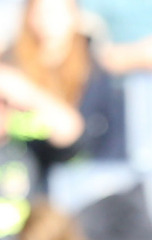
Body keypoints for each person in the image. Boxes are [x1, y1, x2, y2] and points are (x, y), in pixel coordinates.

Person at [8, 0, 125, 160]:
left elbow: (73, 133)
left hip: (82, 163)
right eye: (41, 12)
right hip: (22, 162)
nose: (48, 20)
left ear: (74, 16)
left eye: (56, 12)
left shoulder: (93, 69)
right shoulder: (12, 62)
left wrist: (26, 92)